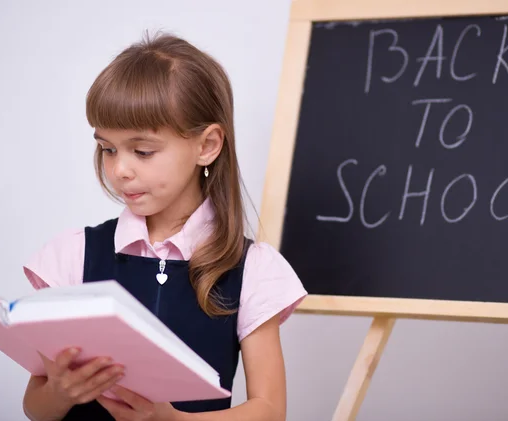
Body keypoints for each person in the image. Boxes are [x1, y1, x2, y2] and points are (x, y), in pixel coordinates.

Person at [21, 31, 307, 421]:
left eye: (142, 151)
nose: (120, 169)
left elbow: (269, 411)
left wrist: (173, 420)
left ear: (207, 145)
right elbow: (35, 407)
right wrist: (59, 391)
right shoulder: (73, 255)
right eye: (107, 148)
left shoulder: (253, 268)